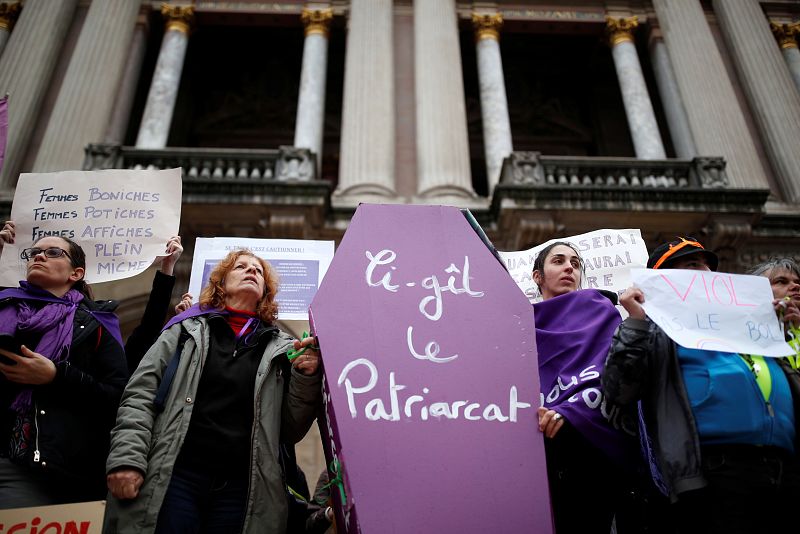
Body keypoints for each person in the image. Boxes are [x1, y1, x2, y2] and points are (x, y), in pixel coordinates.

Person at [104, 249, 323, 534]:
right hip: (176, 476)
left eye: (258, 271)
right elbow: (139, 396)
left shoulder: (280, 349)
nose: (252, 271)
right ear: (221, 284)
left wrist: (306, 377)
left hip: (241, 489)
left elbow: (291, 430)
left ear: (266, 292)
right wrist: (127, 459)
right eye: (241, 267)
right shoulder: (183, 331)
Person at [602, 237, 800, 534]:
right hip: (715, 470)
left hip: (784, 467)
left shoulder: (756, 327)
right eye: (692, 265)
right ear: (663, 281)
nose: (705, 272)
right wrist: (636, 323)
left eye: (707, 265)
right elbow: (618, 391)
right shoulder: (653, 331)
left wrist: (789, 334)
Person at [0, 234, 128, 508]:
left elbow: (117, 396)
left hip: (58, 467)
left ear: (76, 273)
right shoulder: (4, 308)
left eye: (53, 252)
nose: (39, 256)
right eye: (34, 251)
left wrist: (57, 376)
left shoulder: (96, 324)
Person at [532, 241, 644, 534]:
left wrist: (569, 410)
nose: (570, 267)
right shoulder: (517, 324)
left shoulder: (599, 310)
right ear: (537, 277)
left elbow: (611, 370)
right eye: (558, 261)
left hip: (592, 447)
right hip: (536, 452)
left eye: (575, 263)